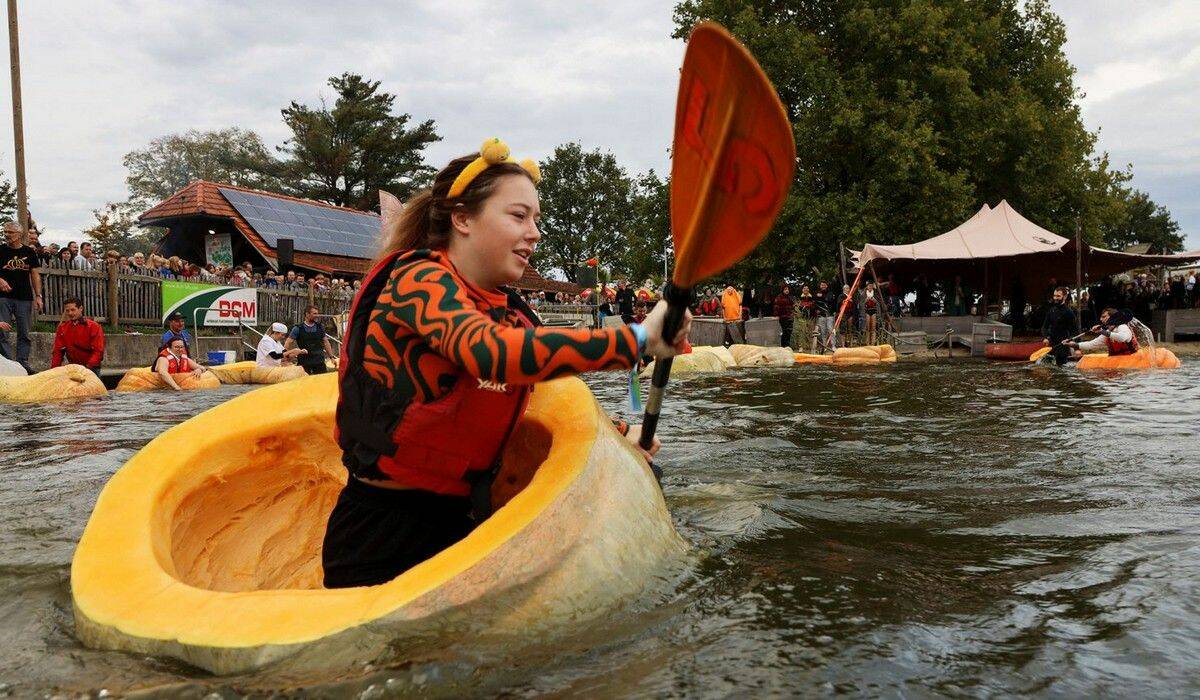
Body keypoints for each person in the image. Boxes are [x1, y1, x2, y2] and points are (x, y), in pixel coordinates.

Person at [323, 139, 691, 589]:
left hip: (465, 525)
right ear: (462, 219)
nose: (534, 233)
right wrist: (636, 339)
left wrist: (620, 437)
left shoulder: (516, 314)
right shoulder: (415, 278)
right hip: (378, 533)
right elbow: (490, 354)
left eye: (536, 219)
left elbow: (546, 403)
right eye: (518, 216)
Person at [0, 221, 43, 371]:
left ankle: (22, 363)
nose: (7, 235)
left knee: (24, 332)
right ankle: (7, 364)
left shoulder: (29, 252)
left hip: (24, 297)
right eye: (5, 232)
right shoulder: (1, 250)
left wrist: (38, 296)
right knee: (2, 330)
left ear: (19, 234)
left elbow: (35, 274)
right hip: (3, 297)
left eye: (10, 232)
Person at [50, 297, 105, 376]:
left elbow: (98, 351)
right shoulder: (62, 328)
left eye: (73, 310)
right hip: (74, 368)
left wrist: (87, 368)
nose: (70, 313)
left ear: (81, 308)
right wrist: (53, 371)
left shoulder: (93, 326)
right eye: (67, 311)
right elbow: (58, 352)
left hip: (91, 368)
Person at [1063, 307, 1137, 359]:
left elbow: (1122, 338)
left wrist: (1102, 331)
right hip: (1116, 360)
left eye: (1104, 317)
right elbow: (1091, 344)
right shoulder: (1107, 333)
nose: (1100, 319)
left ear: (1113, 317)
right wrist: (1073, 344)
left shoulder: (1122, 327)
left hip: (1130, 359)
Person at [286, 305, 335, 375]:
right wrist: (286, 357)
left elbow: (326, 342)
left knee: (321, 383)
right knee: (303, 383)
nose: (317, 315)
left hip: (319, 361)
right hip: (304, 362)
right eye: (314, 313)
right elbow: (288, 343)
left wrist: (331, 357)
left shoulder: (320, 327)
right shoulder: (298, 328)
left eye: (317, 313)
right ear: (307, 314)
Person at [1041, 286, 1079, 366]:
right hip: (1051, 344)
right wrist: (1045, 337)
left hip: (1063, 345)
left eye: (1058, 296)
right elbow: (1044, 327)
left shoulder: (1069, 313)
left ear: (1064, 297)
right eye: (1054, 295)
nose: (1055, 298)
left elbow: (1075, 331)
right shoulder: (1051, 310)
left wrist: (1077, 348)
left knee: (1061, 371)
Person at [814, 280, 837, 350]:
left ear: (826, 286)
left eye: (824, 285)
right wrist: (816, 310)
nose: (823, 286)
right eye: (822, 285)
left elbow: (829, 300)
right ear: (820, 286)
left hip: (829, 314)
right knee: (823, 331)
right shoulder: (817, 293)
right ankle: (825, 346)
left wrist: (822, 296)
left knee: (831, 330)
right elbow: (815, 303)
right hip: (821, 315)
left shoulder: (830, 293)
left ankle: (833, 345)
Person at [858, 280, 881, 346]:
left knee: (873, 328)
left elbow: (878, 303)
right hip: (867, 311)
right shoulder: (863, 294)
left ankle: (873, 343)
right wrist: (865, 301)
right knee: (867, 327)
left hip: (873, 311)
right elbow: (861, 304)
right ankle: (867, 343)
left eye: (871, 286)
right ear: (867, 287)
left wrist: (875, 301)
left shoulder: (875, 293)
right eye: (869, 286)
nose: (870, 287)